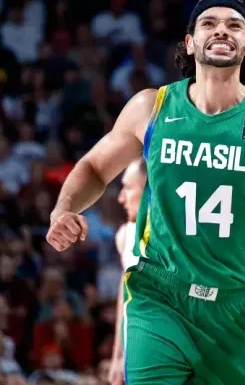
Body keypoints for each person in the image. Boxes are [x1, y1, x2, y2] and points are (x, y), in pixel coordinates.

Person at [46, 0, 245, 384]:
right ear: (189, 43)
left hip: (237, 306)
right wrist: (64, 207)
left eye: (234, 25)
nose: (222, 29)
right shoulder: (150, 107)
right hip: (161, 295)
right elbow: (93, 167)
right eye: (209, 23)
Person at [108, 158, 146, 385]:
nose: (121, 197)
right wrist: (118, 356)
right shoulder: (125, 235)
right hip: (137, 347)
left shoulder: (184, 234)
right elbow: (125, 297)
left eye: (128, 188)